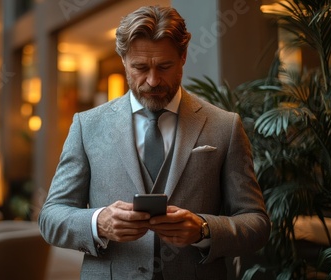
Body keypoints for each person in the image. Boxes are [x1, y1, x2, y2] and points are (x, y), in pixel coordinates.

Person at [38, 5, 270, 280]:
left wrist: (203, 229)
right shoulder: (87, 126)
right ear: (123, 60)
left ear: (183, 56)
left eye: (164, 66)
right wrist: (98, 222)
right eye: (140, 67)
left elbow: (257, 224)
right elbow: (50, 217)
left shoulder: (224, 126)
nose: (152, 80)